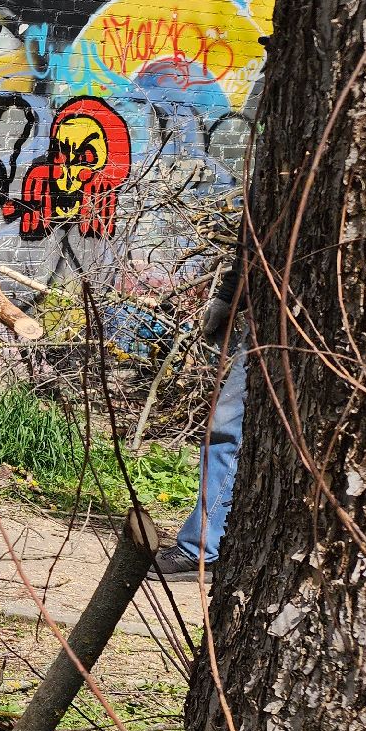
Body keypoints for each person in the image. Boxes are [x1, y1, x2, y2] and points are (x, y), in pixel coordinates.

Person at [155, 239, 246, 581]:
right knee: (228, 429)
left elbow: (257, 231)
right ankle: (205, 546)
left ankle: (202, 549)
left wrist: (228, 293)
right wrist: (228, 294)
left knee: (228, 430)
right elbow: (257, 227)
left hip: (297, 317)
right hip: (278, 314)